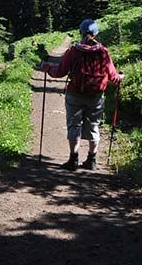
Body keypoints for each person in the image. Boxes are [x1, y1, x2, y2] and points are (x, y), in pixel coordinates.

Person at [39, 19, 124, 170]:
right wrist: (120, 78)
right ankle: (91, 160)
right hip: (96, 96)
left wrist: (48, 68)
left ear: (80, 32)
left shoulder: (73, 51)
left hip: (74, 94)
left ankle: (73, 160)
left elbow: (60, 72)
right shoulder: (103, 52)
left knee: (74, 126)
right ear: (96, 33)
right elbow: (113, 77)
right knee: (93, 126)